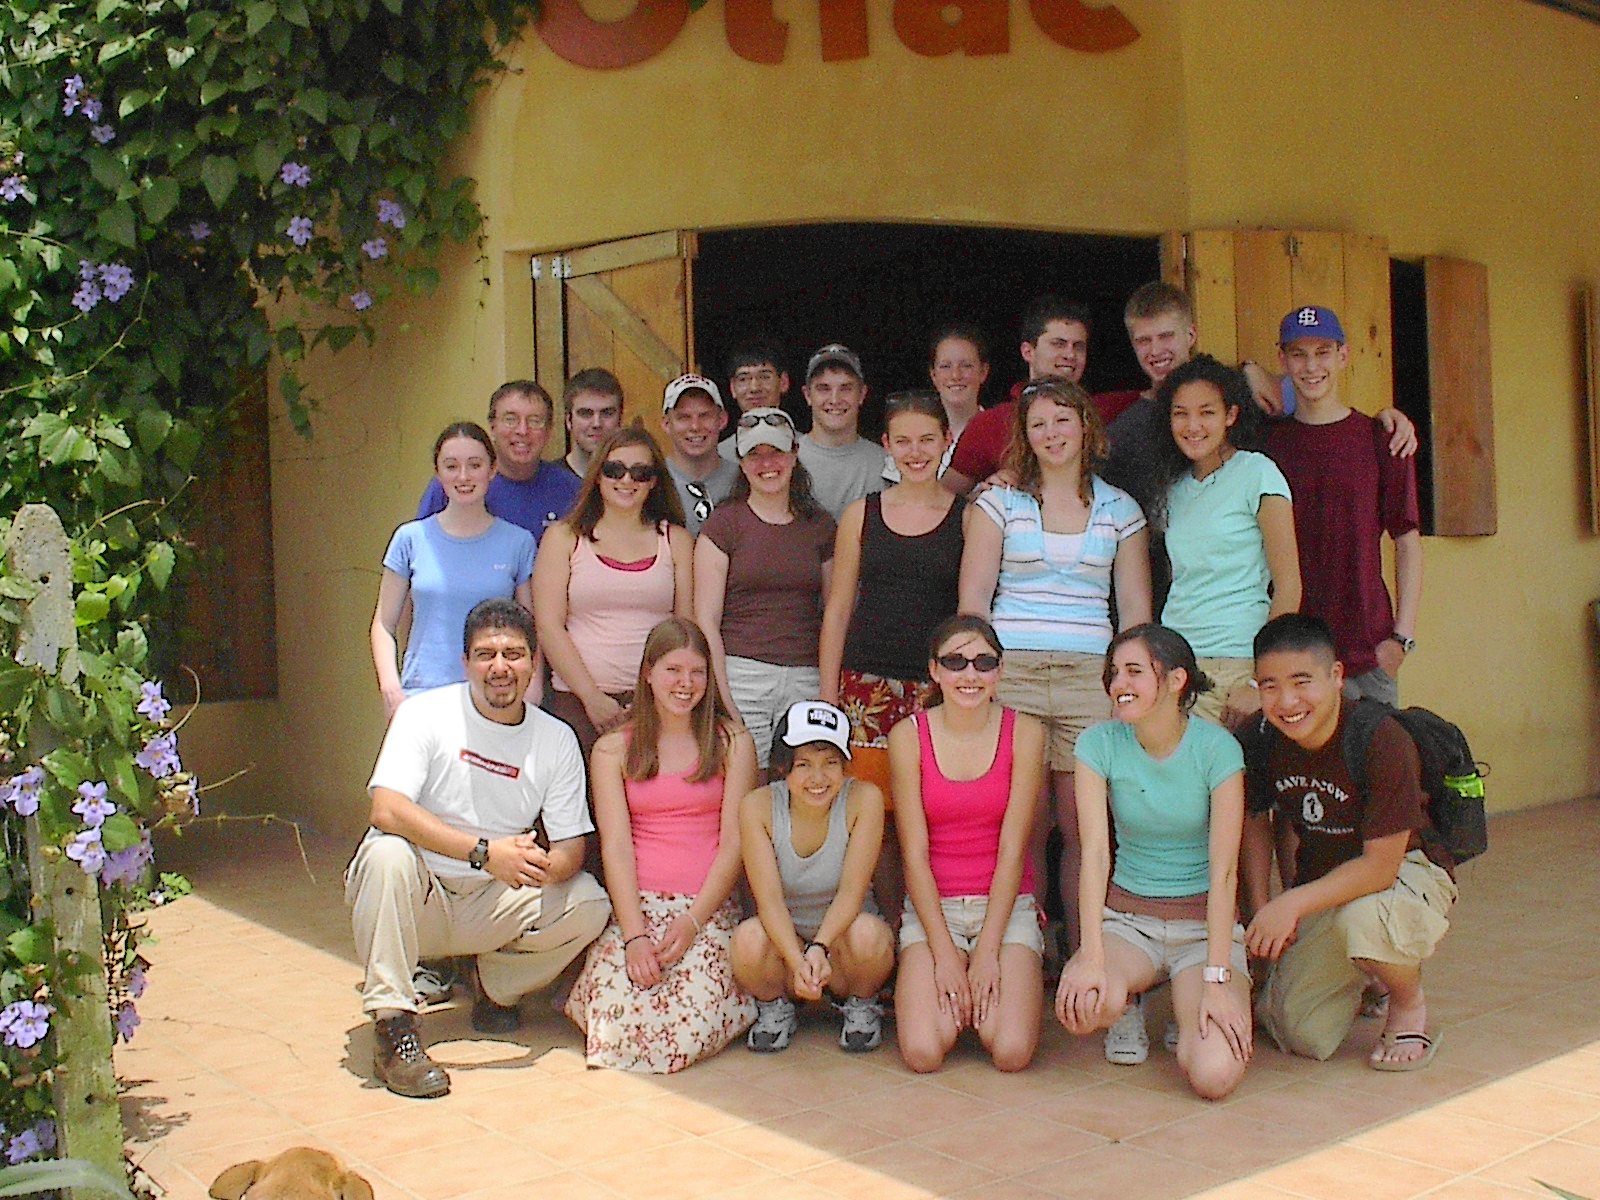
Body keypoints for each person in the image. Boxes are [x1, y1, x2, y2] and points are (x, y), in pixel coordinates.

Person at [348, 599, 610, 1097]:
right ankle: (393, 1027)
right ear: (465, 661)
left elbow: (572, 848)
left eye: (513, 654)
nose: (500, 667)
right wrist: (485, 852)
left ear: (534, 663)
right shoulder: (423, 715)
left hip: (492, 895)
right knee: (386, 854)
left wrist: (541, 866)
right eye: (486, 654)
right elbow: (386, 809)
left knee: (588, 902)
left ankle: (494, 986)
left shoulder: (555, 740)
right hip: (417, 894)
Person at [958, 377, 1151, 948]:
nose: (1051, 433)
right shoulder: (998, 502)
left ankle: (1087, 948)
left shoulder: (1122, 508)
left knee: (1081, 827)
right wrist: (978, 677)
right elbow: (973, 604)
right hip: (1011, 670)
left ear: (1086, 426)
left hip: (1088, 677)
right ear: (1024, 435)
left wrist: (1129, 685)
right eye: (1038, 423)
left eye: (1062, 420)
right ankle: (1025, 947)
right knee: (1021, 827)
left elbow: (1136, 613)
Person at [1242, 614, 1456, 1069]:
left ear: (1337, 676)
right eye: (1270, 686)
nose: (1287, 701)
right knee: (1298, 1031)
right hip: (1324, 885)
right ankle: (1368, 972)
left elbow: (1379, 868)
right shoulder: (1261, 739)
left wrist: (1291, 904)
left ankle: (1405, 1000)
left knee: (1363, 919)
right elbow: (1256, 821)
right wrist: (1264, 914)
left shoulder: (1380, 738)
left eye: (1302, 682)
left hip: (1405, 872)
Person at [1056, 625, 1252, 1098]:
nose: (1119, 683)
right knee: (1085, 1005)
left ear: (1177, 679)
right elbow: (1096, 854)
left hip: (1202, 928)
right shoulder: (1097, 744)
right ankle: (1128, 1000)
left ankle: (1183, 1010)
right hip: (1128, 921)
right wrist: (1091, 954)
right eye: (1114, 673)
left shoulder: (1218, 749)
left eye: (1135, 672)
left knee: (1213, 1075)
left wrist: (1217, 980)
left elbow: (1225, 872)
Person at [564, 618, 758, 1072]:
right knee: (615, 1021)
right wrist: (633, 935)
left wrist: (692, 921)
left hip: (704, 907)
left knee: (682, 1031)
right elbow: (615, 845)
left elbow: (734, 843)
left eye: (696, 672)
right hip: (639, 906)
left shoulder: (733, 744)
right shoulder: (613, 749)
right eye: (673, 670)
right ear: (648, 673)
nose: (685, 684)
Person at [820, 391, 967, 917]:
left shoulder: (968, 517)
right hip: (867, 688)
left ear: (946, 441)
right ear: (885, 445)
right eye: (902, 440)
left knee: (929, 817)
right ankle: (886, 934)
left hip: (939, 688)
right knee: (873, 820)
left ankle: (927, 928)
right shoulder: (862, 513)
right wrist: (827, 696)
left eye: (927, 439)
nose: (915, 451)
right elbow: (838, 609)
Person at [890, 615, 1045, 1073]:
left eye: (983, 662)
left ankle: (990, 993)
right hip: (934, 907)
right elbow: (913, 854)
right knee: (922, 1052)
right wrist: (945, 955)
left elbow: (1015, 849)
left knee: (1011, 1051)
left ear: (999, 671)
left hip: (1005, 907)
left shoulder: (1027, 733)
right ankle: (951, 995)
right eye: (955, 662)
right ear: (935, 671)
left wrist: (988, 954)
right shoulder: (908, 736)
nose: (970, 675)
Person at [1269, 306, 1422, 706]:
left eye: (1323, 351)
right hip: (1291, 652)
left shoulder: (1382, 438)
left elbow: (1407, 541)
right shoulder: (1266, 446)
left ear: (1343, 355)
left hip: (1368, 654)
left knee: (1373, 765)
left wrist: (1400, 639)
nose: (1311, 366)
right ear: (1282, 360)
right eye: (1298, 354)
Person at [732, 700, 894, 1053]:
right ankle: (777, 1007)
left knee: (871, 936)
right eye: (803, 765)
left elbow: (852, 893)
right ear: (782, 766)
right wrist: (797, 959)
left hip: (841, 944)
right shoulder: (757, 806)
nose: (817, 779)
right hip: (785, 944)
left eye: (830, 764)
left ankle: (860, 1003)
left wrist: (819, 948)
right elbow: (768, 900)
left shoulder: (864, 799)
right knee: (746, 940)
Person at [1150, 355, 1301, 727]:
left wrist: (1260, 679)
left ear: (1231, 415)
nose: (1193, 425)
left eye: (1206, 412)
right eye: (1180, 414)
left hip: (1237, 661)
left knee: (1235, 783)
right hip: (1177, 663)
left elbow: (1289, 587)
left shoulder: (1257, 473)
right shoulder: (1173, 489)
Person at [534, 425, 693, 764]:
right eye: (614, 469)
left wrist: (656, 697)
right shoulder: (563, 538)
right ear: (597, 475)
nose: (627, 480)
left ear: (654, 481)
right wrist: (592, 698)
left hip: (659, 704)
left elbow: (685, 628)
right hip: (576, 703)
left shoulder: (676, 540)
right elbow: (548, 625)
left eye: (640, 472)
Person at [695, 407, 835, 775]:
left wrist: (827, 688)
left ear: (794, 454)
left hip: (806, 673)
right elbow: (705, 620)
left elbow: (836, 609)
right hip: (743, 674)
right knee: (746, 783)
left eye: (775, 452)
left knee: (806, 779)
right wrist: (723, 696)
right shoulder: (724, 524)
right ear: (741, 463)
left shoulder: (819, 525)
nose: (767, 463)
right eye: (754, 454)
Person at [371, 422, 535, 720]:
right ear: (438, 472)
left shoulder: (518, 542)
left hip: (495, 695)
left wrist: (531, 690)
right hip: (422, 695)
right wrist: (391, 687)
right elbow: (383, 624)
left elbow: (530, 625)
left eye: (475, 465)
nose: (463, 476)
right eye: (451, 466)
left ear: (492, 469)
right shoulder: (410, 539)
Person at [944, 297, 1095, 497]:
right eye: (1058, 344)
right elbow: (940, 503)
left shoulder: (1105, 411)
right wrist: (978, 497)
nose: (1070, 354)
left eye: (1078, 346)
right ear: (1028, 351)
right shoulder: (989, 423)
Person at [415, 381, 580, 546]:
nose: (522, 430)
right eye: (510, 420)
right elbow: (423, 548)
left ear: (549, 431)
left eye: (535, 421)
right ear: (492, 427)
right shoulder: (457, 485)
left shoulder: (573, 490)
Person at [881, 327, 990, 483]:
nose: (955, 375)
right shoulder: (907, 431)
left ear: (983, 371)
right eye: (945, 366)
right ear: (933, 374)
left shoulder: (997, 432)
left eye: (966, 366)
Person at [797, 343, 886, 520]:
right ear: (807, 395)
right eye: (824, 388)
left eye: (845, 388)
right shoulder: (784, 461)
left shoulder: (887, 464)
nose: (835, 399)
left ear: (862, 394)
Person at [660, 373, 739, 535]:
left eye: (705, 415)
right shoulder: (652, 482)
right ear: (667, 424)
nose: (695, 426)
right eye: (684, 417)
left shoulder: (744, 480)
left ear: (722, 420)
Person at [719, 341, 791, 462]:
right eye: (743, 379)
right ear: (732, 387)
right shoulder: (720, 457)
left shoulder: (803, 450)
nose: (754, 388)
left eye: (764, 377)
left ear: (783, 382)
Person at [557, 368, 625, 481]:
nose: (596, 423)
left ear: (620, 418)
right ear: (569, 420)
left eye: (607, 413)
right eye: (586, 413)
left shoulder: (636, 482)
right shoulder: (547, 482)